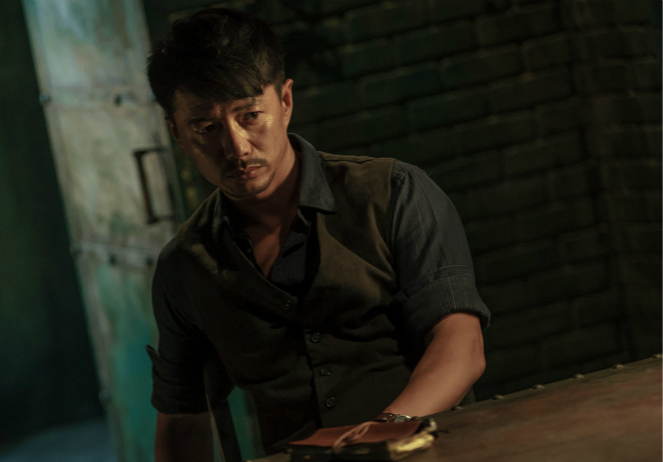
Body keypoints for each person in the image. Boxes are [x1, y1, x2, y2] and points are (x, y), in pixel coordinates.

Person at [145, 7, 490, 461]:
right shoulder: (185, 266)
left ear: (285, 102)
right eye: (207, 128)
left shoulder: (393, 194)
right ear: (178, 134)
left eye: (250, 115)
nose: (236, 146)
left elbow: (460, 345)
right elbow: (182, 415)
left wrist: (380, 435)